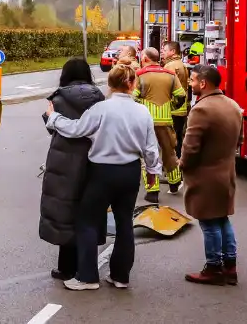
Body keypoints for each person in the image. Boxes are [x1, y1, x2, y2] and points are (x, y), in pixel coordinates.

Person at [47, 64, 162, 290]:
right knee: (124, 223)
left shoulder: (101, 109)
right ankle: (120, 276)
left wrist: (53, 117)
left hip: (103, 173)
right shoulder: (143, 111)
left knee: (87, 221)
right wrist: (152, 173)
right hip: (130, 172)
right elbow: (151, 148)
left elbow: (76, 129)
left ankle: (87, 277)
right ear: (133, 85)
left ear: (110, 84)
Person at [40, 58, 105, 281]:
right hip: (93, 160)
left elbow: (53, 129)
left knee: (63, 211)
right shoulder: (99, 98)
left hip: (63, 162)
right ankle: (85, 266)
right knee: (88, 213)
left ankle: (65, 267)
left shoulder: (58, 99)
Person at [180, 64, 243, 286]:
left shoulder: (201, 109)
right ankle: (230, 266)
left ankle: (214, 268)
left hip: (206, 177)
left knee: (208, 223)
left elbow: (190, 148)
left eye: (193, 80)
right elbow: (239, 142)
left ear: (203, 83)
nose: (191, 83)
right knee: (222, 219)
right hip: (226, 174)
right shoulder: (233, 105)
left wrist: (183, 166)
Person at [133, 47, 186, 202]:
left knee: (148, 155)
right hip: (166, 120)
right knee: (170, 152)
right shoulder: (170, 74)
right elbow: (181, 95)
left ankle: (152, 191)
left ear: (145, 59)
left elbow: (134, 97)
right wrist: (170, 107)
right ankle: (175, 182)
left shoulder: (140, 75)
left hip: (146, 122)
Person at [161, 41, 191, 157]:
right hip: (181, 109)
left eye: (164, 50)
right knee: (178, 137)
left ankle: (172, 164)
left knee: (170, 139)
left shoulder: (170, 66)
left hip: (173, 108)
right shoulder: (180, 64)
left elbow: (166, 87)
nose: (162, 52)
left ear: (172, 52)